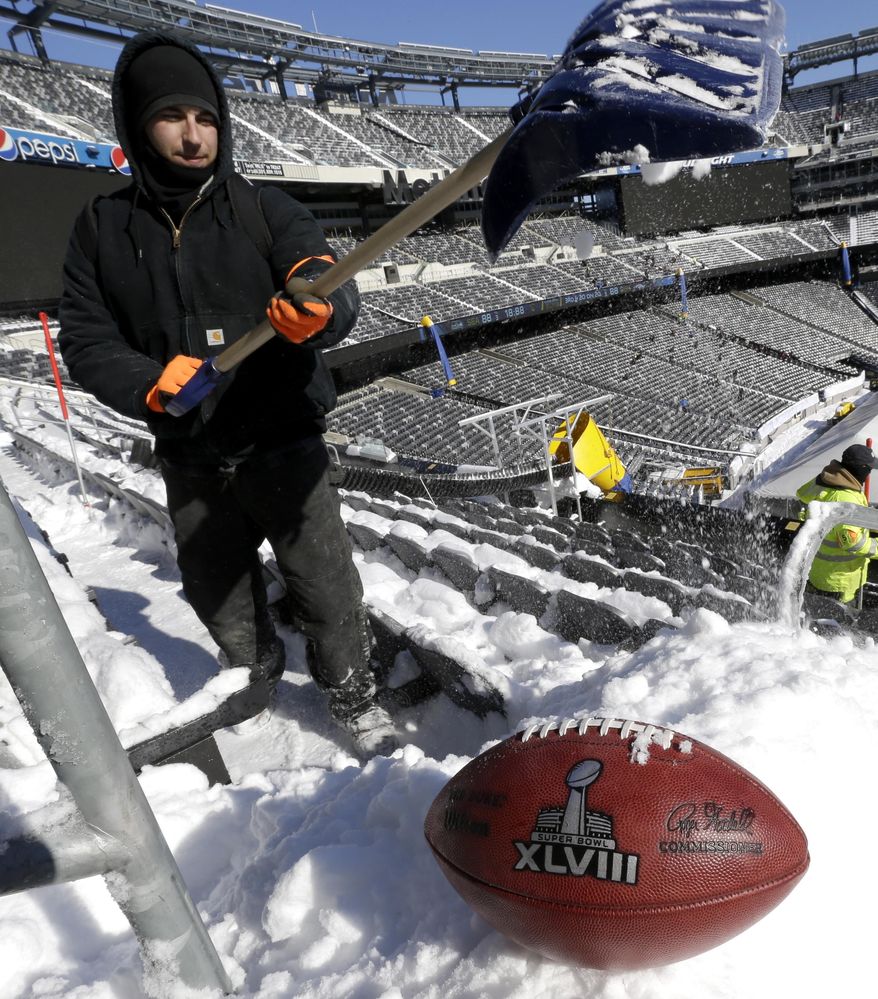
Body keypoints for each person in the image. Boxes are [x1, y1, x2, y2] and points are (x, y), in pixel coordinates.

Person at [58, 31, 397, 758]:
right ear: (137, 126)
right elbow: (86, 341)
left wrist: (317, 306)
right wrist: (150, 381)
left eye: (206, 118)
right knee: (218, 592)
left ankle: (352, 696)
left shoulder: (264, 209)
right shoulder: (100, 229)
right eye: (172, 117)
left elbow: (325, 280)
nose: (192, 135)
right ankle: (256, 672)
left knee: (327, 587)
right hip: (189, 454)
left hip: (283, 443)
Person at [795, 443, 878, 605]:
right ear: (860, 468)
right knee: (836, 623)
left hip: (819, 570)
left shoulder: (824, 482)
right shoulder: (845, 497)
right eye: (868, 468)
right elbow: (851, 541)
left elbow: (802, 498)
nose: (869, 473)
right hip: (839, 581)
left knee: (815, 616)